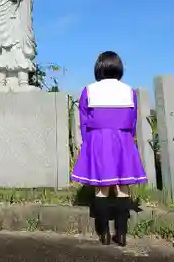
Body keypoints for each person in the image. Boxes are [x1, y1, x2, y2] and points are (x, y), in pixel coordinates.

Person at [71, 51, 147, 246]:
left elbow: (84, 121)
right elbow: (132, 121)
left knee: (101, 189)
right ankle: (121, 234)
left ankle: (104, 234)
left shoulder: (89, 90)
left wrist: (88, 143)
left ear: (99, 68)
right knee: (123, 188)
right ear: (118, 67)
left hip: (98, 138)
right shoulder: (129, 91)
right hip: (122, 138)